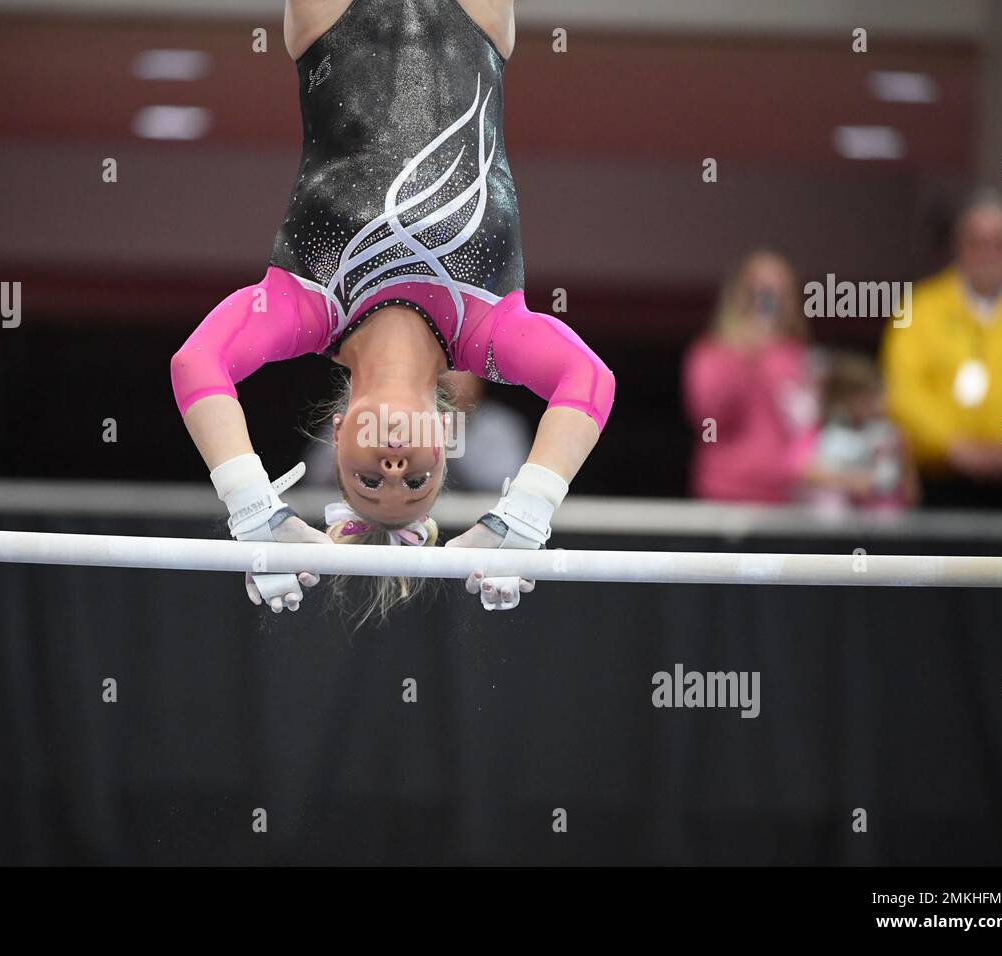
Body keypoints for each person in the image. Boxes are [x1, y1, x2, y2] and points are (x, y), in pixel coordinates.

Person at [170, 0, 614, 618]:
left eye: (368, 483)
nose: (394, 467)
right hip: (471, 22)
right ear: (445, 445)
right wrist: (522, 518)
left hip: (334, 25)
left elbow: (197, 363)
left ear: (338, 434)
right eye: (417, 483)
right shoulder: (485, 329)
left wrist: (253, 509)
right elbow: (591, 380)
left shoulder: (310, 306)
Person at [881, 191, 1002, 510]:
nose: (987, 253)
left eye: (999, 243)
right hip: (941, 488)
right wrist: (954, 447)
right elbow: (905, 391)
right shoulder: (920, 309)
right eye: (976, 242)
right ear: (959, 246)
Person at [682, 250, 818, 504]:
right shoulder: (713, 353)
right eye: (761, 290)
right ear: (740, 294)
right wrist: (746, 357)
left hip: (788, 500)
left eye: (779, 291)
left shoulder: (796, 356)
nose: (769, 301)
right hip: (726, 494)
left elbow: (808, 428)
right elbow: (710, 418)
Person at [300, 372, 531, 494]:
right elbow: (317, 478)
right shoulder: (369, 416)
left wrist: (438, 436)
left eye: (457, 370)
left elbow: (503, 487)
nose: (445, 380)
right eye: (437, 373)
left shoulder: (498, 427)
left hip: (466, 546)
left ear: (479, 380)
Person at [802, 351, 917, 512]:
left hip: (884, 522)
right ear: (845, 399)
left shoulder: (891, 435)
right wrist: (854, 482)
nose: (878, 403)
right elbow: (806, 472)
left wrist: (904, 459)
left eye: (878, 395)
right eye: (867, 398)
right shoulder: (822, 433)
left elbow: (910, 493)